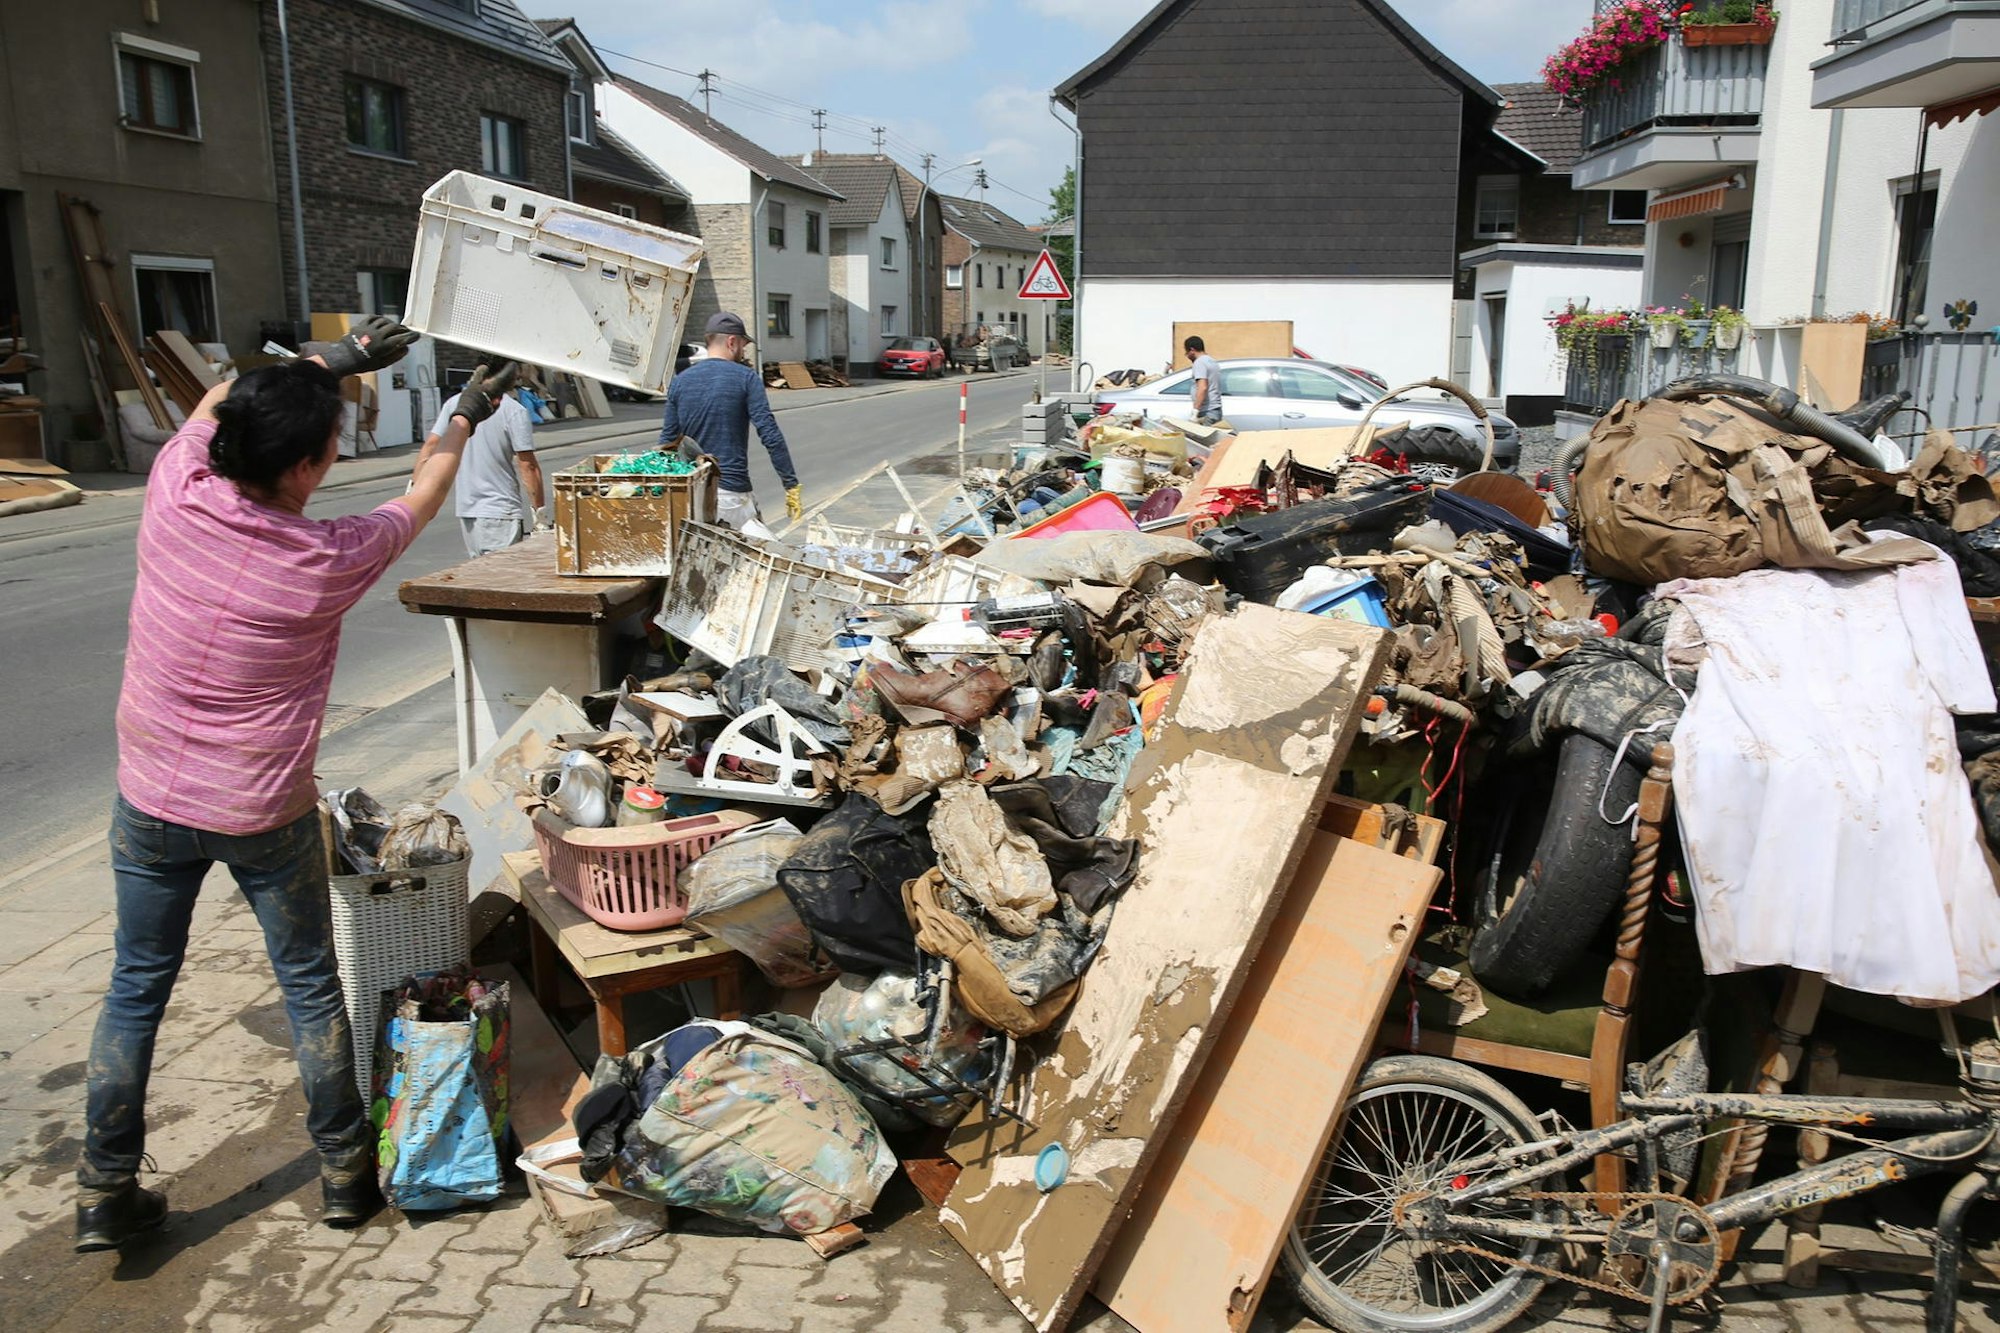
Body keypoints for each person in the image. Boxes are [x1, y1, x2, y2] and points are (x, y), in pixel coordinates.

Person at [77, 314, 518, 1253]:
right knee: (311, 985)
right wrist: (466, 410)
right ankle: (346, 1177)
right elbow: (426, 493)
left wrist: (338, 357)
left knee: (134, 987)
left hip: (149, 793)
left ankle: (103, 1189)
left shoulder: (176, 484)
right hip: (259, 808)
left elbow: (216, 398)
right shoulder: (324, 558)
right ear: (312, 469)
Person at [659, 312, 801, 534]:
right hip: (731, 497)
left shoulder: (680, 383)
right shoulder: (746, 378)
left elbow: (667, 444)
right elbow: (769, 433)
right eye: (743, 346)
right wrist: (790, 483)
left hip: (692, 495)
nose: (743, 352)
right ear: (732, 342)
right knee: (765, 560)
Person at [419, 368, 542, 558]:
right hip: (500, 510)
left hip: (467, 510)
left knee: (479, 575)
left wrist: (415, 495)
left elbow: (430, 447)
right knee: (502, 579)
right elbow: (528, 466)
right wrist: (539, 514)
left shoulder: (454, 403)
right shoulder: (514, 410)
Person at [1185, 335, 1224, 427]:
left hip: (1206, 411)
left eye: (1187, 352)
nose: (1187, 355)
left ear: (1192, 350)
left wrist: (1195, 412)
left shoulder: (1199, 363)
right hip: (1215, 409)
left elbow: (1202, 387)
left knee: (1204, 440)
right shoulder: (1212, 361)